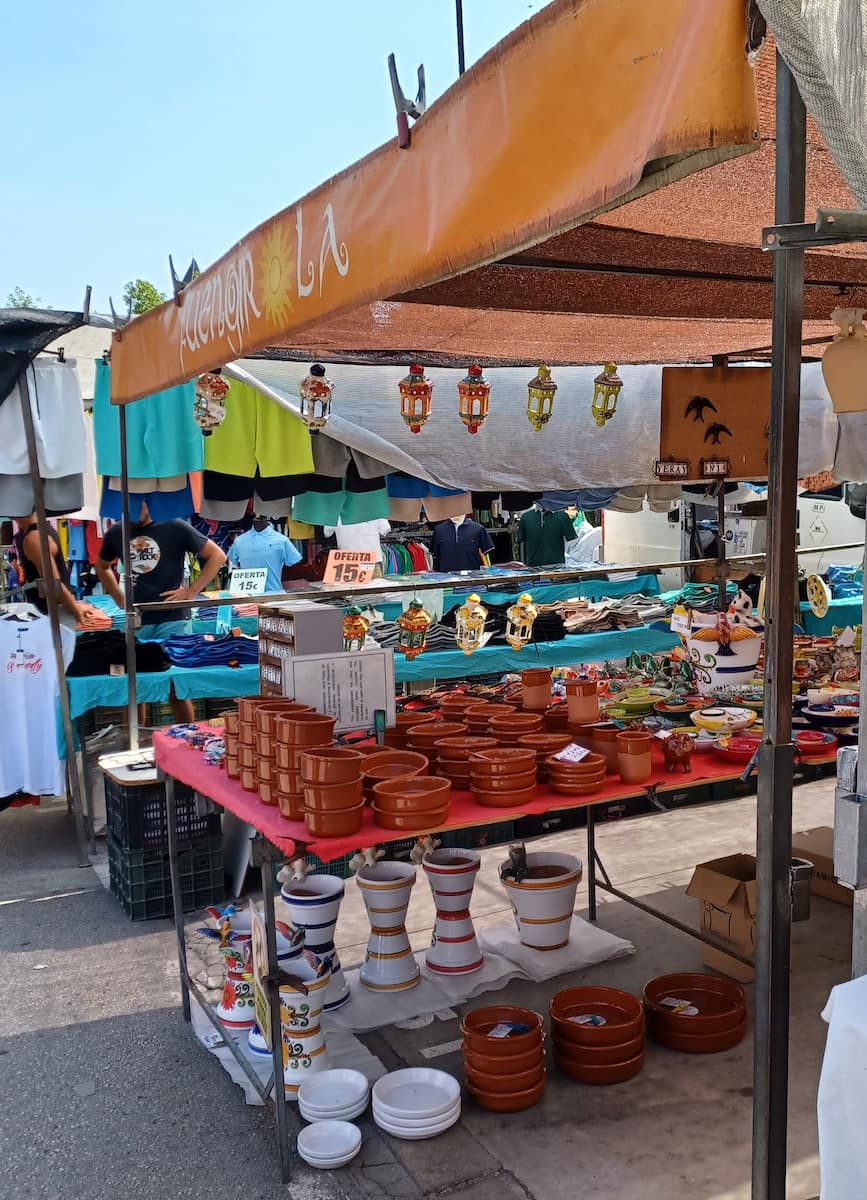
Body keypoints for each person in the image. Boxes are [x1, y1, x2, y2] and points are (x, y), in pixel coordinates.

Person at [95, 503, 227, 722]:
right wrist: (119, 598)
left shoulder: (175, 526)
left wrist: (191, 591)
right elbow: (102, 566)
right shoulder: (117, 532)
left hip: (173, 618)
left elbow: (217, 556)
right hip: (137, 619)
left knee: (177, 687)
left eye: (142, 504)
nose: (137, 511)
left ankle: (185, 737)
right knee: (134, 690)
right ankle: (135, 747)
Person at [13, 513, 103, 629]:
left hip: (53, 615)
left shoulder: (35, 537)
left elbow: (53, 583)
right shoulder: (36, 531)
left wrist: (76, 611)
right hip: (52, 612)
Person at [227, 515, 301, 593]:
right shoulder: (239, 541)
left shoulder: (282, 540)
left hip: (273, 595)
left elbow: (293, 563)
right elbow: (233, 562)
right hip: (246, 596)